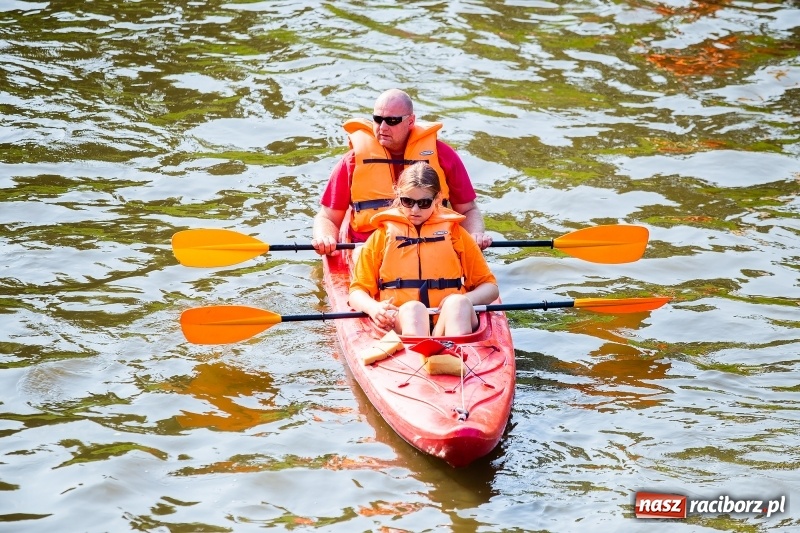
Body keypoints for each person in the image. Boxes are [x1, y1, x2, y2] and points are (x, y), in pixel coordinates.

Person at [312, 89, 492, 255]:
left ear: (411, 121)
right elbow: (328, 216)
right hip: (369, 249)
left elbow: (468, 209)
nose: (382, 127)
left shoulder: (443, 156)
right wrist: (325, 238)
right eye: (377, 119)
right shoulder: (352, 161)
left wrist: (475, 234)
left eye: (392, 121)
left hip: (432, 244)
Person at [348, 162, 499, 337]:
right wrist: (374, 308)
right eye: (407, 201)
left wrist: (467, 299)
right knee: (414, 309)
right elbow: (356, 292)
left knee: (458, 304)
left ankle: (457, 359)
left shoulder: (456, 234)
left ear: (437, 199)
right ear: (398, 195)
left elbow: (490, 288)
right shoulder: (381, 236)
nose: (415, 209)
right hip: (401, 322)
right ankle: (417, 357)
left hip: (448, 319)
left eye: (424, 203)